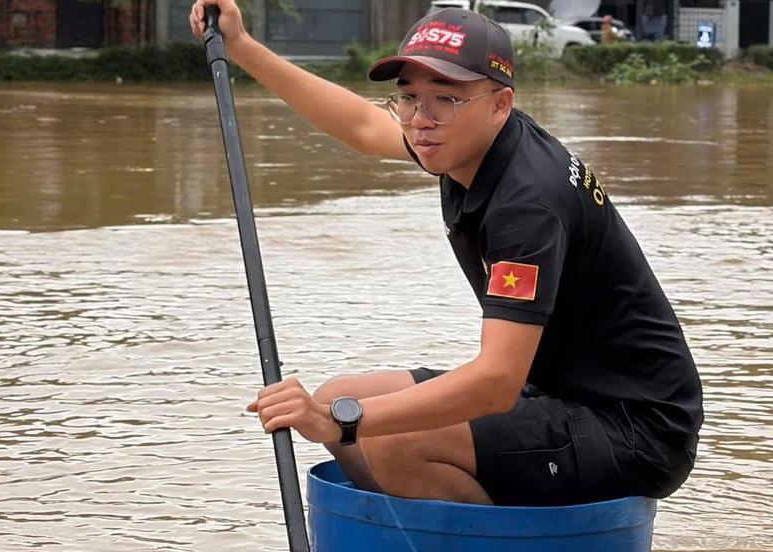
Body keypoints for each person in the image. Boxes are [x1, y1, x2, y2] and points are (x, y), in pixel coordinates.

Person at [189, 1, 703, 507]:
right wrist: (242, 47)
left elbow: (496, 384)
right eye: (409, 97)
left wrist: (343, 422)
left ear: (500, 104)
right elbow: (365, 129)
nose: (420, 120)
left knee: (380, 434)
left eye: (445, 98)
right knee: (335, 397)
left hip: (635, 429)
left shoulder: (529, 204)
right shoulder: (464, 140)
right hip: (555, 390)